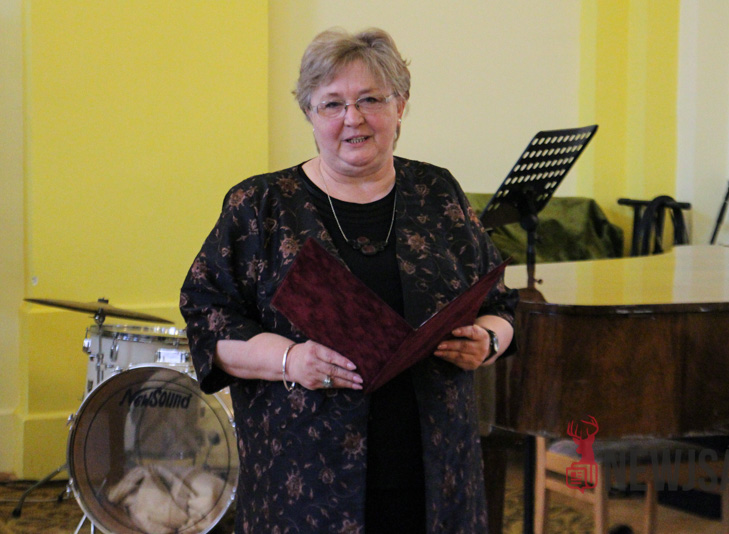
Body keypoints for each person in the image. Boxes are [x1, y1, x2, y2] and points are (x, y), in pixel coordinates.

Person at [180, 27, 518, 534]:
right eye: (332, 104)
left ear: (400, 105)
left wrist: (487, 341)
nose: (353, 118)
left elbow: (500, 304)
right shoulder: (260, 205)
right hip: (303, 484)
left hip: (435, 475)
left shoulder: (437, 191)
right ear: (309, 113)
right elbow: (207, 326)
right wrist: (291, 359)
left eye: (370, 100)